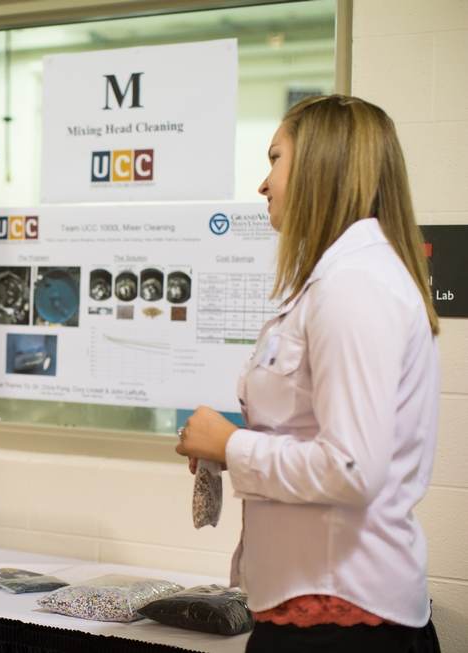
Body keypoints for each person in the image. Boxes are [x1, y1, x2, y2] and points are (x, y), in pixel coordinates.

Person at [176, 95, 442, 652]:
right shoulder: (335, 280)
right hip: (310, 606)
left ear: (321, 164)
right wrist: (234, 445)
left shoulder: (355, 286)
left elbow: (351, 469)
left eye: (274, 158)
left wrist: (234, 445)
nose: (263, 183)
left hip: (342, 620)